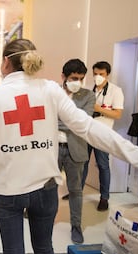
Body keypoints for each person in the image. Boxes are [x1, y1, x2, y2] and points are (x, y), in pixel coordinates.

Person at [0, 38, 138, 254]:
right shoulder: (51, 90)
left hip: (8, 191)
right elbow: (89, 128)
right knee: (43, 247)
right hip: (45, 190)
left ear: (6, 61)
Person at [57, 59, 95, 244]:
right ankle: (41, 219)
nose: (77, 82)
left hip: (76, 150)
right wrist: (70, 123)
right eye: (73, 78)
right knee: (45, 187)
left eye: (80, 78)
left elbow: (83, 122)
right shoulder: (53, 93)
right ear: (64, 77)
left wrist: (60, 123)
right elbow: (45, 119)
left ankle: (76, 226)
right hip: (52, 148)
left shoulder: (88, 96)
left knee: (75, 190)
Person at [81, 61, 124, 211]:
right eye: (95, 74)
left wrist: (98, 109)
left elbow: (117, 114)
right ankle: (77, 193)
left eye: (101, 74)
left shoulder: (115, 91)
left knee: (103, 165)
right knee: (82, 163)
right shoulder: (88, 90)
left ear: (107, 74)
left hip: (103, 133)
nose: (98, 77)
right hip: (86, 131)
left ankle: (104, 198)